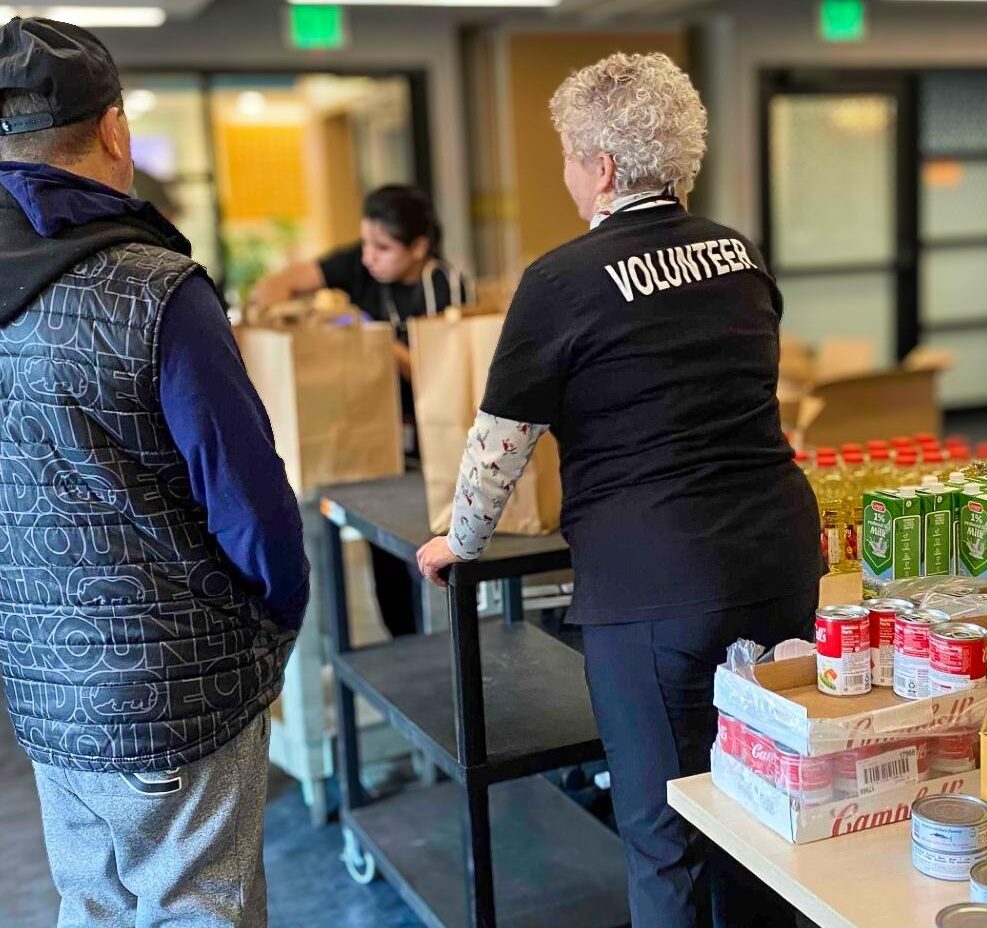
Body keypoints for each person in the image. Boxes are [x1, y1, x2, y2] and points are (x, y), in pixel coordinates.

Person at [0, 18, 307, 928]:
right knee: (198, 906)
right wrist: (275, 617)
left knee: (90, 903)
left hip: (44, 684)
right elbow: (249, 505)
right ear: (116, 129)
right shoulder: (156, 289)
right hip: (178, 682)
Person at [415, 53, 822, 928]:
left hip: (655, 581)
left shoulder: (561, 280)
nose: (567, 174)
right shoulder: (739, 255)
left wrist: (460, 542)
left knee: (665, 831)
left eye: (568, 156)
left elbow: (499, 445)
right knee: (763, 808)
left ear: (600, 167)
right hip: (779, 559)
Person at [250, 185, 469, 638]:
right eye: (366, 243)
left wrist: (371, 335)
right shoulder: (360, 263)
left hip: (432, 446)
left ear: (418, 247)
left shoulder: (443, 286)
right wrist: (292, 314)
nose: (369, 257)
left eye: (383, 248)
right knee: (383, 557)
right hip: (372, 442)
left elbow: (438, 377)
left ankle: (443, 652)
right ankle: (401, 646)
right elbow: (278, 285)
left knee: (427, 554)